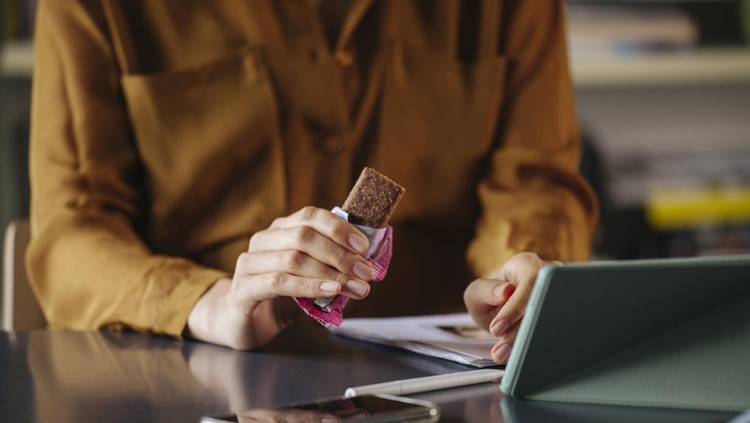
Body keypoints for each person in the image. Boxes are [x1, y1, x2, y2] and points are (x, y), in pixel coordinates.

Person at [27, 0, 597, 360]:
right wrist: (213, 304)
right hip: (198, 370)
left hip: (451, 376)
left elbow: (534, 181)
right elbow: (73, 231)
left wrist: (517, 274)